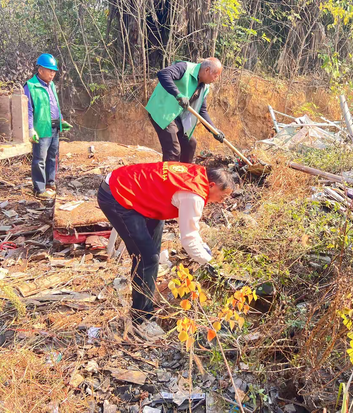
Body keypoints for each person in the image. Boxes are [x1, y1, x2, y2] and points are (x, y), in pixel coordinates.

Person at [97, 161, 235, 339]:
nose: (222, 202)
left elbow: (192, 231)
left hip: (140, 193)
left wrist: (205, 251)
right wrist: (212, 265)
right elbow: (188, 239)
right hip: (119, 194)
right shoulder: (193, 194)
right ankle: (142, 318)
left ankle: (146, 301)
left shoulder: (198, 174)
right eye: (222, 196)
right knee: (147, 258)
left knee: (152, 251)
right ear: (212, 185)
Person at [146, 58, 225, 163]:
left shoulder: (205, 87)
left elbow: (202, 111)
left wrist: (214, 130)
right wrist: (178, 95)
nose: (215, 79)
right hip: (162, 111)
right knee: (173, 149)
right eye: (215, 76)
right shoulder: (185, 68)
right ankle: (169, 177)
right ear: (207, 70)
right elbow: (163, 74)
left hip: (177, 116)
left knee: (190, 144)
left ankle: (184, 175)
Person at [24, 54, 72, 199]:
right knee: (39, 159)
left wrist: (61, 118)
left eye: (54, 71)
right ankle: (39, 189)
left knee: (53, 156)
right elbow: (28, 110)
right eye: (49, 70)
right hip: (42, 129)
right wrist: (30, 129)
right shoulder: (31, 86)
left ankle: (50, 183)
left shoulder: (51, 85)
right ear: (40, 70)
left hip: (54, 127)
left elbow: (54, 104)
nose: (52, 74)